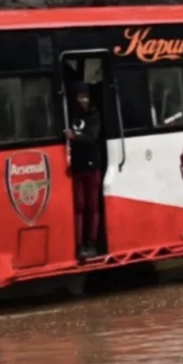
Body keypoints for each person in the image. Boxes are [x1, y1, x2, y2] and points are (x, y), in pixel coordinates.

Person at [64, 82, 104, 260]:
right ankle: (78, 244)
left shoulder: (94, 115)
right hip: (77, 166)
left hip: (92, 165)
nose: (84, 100)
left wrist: (75, 137)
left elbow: (92, 136)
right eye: (81, 97)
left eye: (86, 96)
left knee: (92, 206)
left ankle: (92, 243)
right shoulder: (69, 114)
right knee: (79, 206)